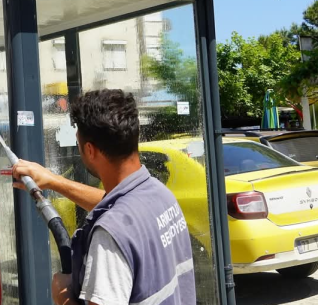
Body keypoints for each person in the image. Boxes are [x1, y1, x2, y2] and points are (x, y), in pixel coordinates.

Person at [12, 89, 195, 305]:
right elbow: (115, 206)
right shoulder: (160, 194)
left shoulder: (110, 237)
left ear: (90, 150)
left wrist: (63, 297)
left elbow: (117, 216)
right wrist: (53, 181)